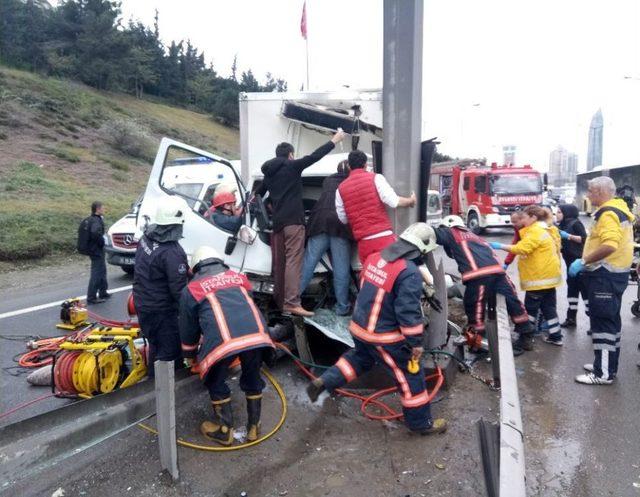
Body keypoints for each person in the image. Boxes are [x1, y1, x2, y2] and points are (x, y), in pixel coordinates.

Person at [306, 223, 447, 436]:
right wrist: (415, 343)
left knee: (359, 359)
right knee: (410, 375)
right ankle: (421, 423)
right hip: (384, 337)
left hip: (360, 329)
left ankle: (325, 381)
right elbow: (407, 312)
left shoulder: (376, 258)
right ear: (420, 249)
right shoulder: (408, 273)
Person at [179, 246, 275, 445]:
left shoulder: (192, 288)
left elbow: (188, 329)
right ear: (220, 262)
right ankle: (254, 428)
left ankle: (225, 430)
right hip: (258, 336)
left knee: (215, 379)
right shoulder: (240, 277)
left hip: (224, 342)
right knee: (252, 376)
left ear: (195, 267)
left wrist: (188, 354)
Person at [257, 129, 346, 317]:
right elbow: (315, 156)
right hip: (293, 223)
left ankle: (281, 302)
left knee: (280, 264)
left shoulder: (269, 174)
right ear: (290, 154)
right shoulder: (292, 166)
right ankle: (292, 303)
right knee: (293, 263)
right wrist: (334, 140)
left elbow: (257, 194)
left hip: (277, 225)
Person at [569, 176, 634, 385]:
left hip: (604, 276)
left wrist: (583, 260)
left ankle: (603, 374)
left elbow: (610, 245)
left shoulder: (608, 213)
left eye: (590, 191)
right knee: (611, 322)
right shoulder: (619, 209)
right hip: (613, 275)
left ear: (601, 192)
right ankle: (604, 364)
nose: (588, 195)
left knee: (603, 323)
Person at [435, 215, 533, 354]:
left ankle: (478, 343)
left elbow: (433, 234)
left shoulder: (452, 231)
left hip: (479, 276)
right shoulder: (475, 236)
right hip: (499, 273)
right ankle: (526, 336)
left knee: (475, 307)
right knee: (513, 303)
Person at [490, 204, 564, 346]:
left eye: (524, 217)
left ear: (533, 218)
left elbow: (522, 248)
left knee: (530, 309)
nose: (522, 221)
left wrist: (499, 246)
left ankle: (526, 337)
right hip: (549, 278)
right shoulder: (546, 229)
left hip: (538, 279)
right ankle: (556, 336)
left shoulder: (535, 231)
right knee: (549, 309)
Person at [133, 196, 189, 375]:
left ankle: (151, 383)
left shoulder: (145, 238)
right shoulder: (172, 252)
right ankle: (166, 395)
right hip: (162, 311)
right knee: (170, 352)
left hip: (143, 304)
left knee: (156, 345)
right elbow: (179, 291)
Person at [335, 150, 416, 265]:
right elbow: (393, 201)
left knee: (371, 278)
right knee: (390, 275)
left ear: (349, 166)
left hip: (363, 242)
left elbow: (343, 219)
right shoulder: (376, 178)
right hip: (383, 238)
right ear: (365, 165)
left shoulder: (340, 189)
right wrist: (411, 201)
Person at [299, 160, 353, 316]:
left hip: (320, 223)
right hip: (339, 227)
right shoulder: (349, 182)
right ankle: (342, 307)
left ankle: (294, 300)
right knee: (341, 269)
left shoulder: (328, 180)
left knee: (308, 263)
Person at [556, 204, 588, 328]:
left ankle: (594, 323)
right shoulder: (562, 225)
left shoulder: (575, 223)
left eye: (559, 212)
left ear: (567, 213)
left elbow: (585, 239)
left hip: (579, 263)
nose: (557, 214)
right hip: (569, 263)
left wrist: (568, 236)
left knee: (585, 293)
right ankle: (571, 318)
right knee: (572, 291)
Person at [86, 201, 110, 304]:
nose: (103, 210)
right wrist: (102, 242)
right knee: (96, 272)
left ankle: (103, 292)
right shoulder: (96, 221)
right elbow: (95, 233)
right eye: (102, 208)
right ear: (98, 209)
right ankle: (91, 297)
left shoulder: (93, 219)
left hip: (95, 249)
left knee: (102, 270)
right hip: (96, 250)